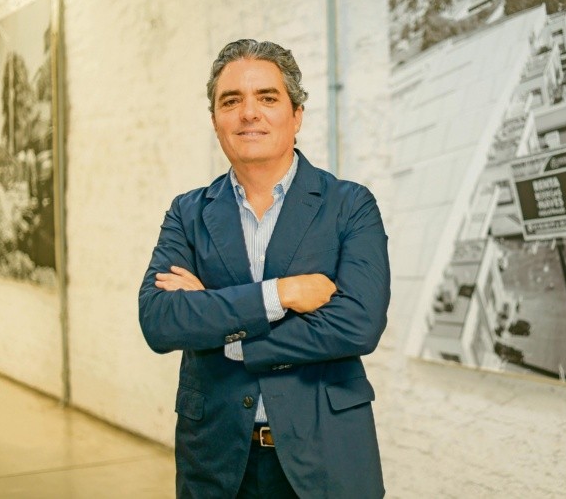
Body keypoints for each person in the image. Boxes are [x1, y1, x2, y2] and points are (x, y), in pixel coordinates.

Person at [138, 39, 390, 498]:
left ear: (297, 115)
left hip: (326, 459)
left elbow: (358, 324)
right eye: (231, 101)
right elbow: (159, 320)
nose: (248, 113)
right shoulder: (188, 213)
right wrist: (281, 294)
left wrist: (227, 331)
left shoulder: (349, 205)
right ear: (215, 120)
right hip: (215, 461)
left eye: (267, 98)